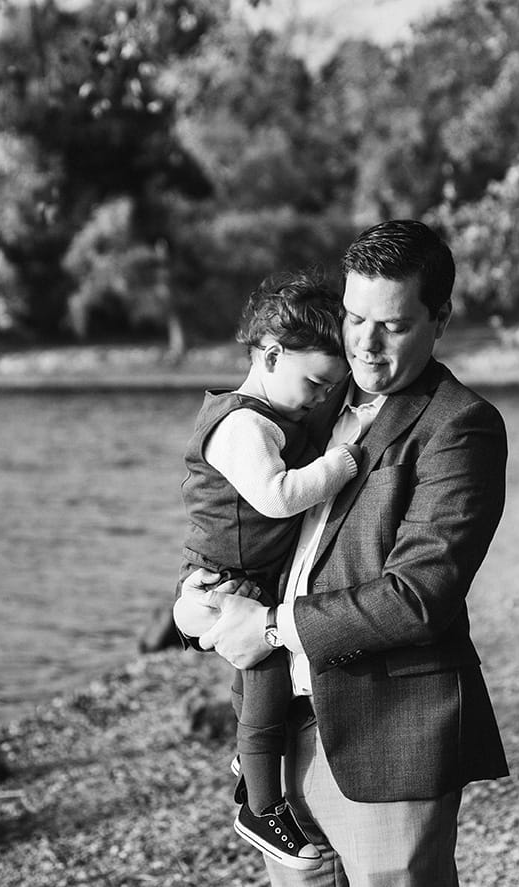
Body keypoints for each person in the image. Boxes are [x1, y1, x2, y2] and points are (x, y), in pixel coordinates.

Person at [181, 219, 509, 886]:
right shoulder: (309, 398)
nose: (365, 341)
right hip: (282, 735)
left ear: (438, 319)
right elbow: (242, 518)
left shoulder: (459, 426)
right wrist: (194, 597)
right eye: (355, 317)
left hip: (388, 736)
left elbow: (418, 596)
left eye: (390, 323)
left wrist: (270, 626)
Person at [173, 272, 362, 870]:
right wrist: (343, 463)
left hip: (244, 578)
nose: (319, 396)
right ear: (271, 354)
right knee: (265, 690)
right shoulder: (242, 425)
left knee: (255, 698)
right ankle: (261, 807)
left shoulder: (278, 407)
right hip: (225, 582)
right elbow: (277, 497)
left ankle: (249, 762)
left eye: (330, 387)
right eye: (314, 382)